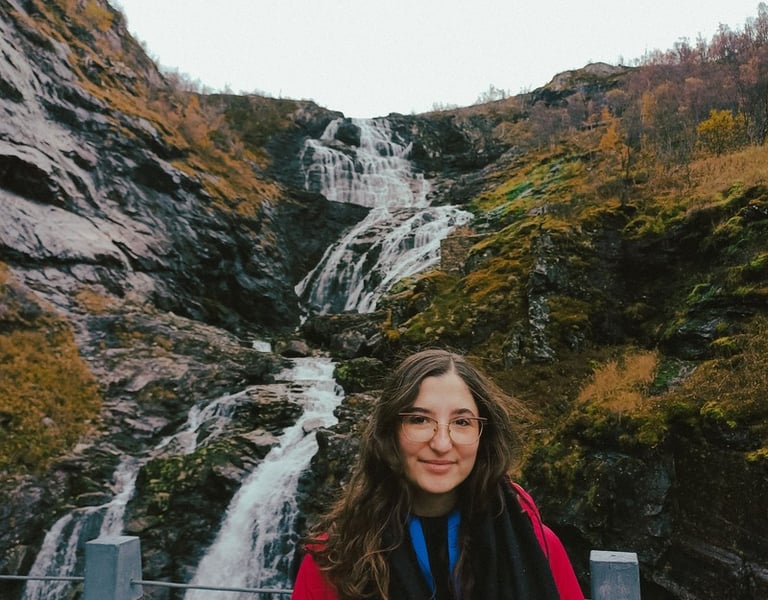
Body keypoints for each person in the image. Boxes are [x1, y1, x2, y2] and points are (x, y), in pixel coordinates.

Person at [292, 348, 583, 600]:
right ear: (390, 434)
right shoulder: (333, 560)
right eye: (419, 419)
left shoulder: (535, 545)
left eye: (462, 422)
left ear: (484, 437)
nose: (442, 444)